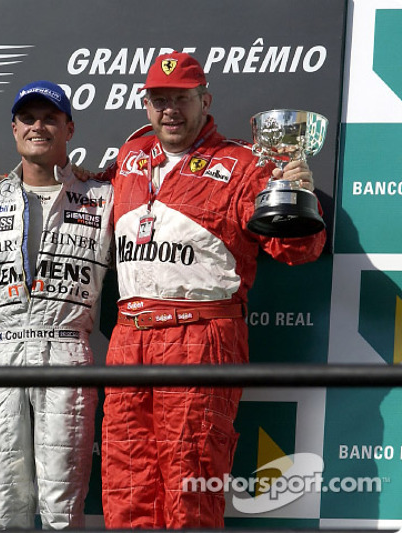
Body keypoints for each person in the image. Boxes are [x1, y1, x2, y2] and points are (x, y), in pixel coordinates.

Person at [96, 51, 326, 528]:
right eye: (159, 100)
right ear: (146, 105)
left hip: (200, 337)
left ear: (205, 99)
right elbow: (83, 190)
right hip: (129, 336)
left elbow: (294, 252)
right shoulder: (131, 156)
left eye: (181, 98)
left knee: (191, 484)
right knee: (127, 485)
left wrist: (300, 198)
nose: (169, 110)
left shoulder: (245, 164)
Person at [0, 81, 114, 529]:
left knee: (62, 508)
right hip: (1, 350)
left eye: (50, 118)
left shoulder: (103, 198)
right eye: (28, 118)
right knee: (5, 509)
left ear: (70, 128)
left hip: (66, 349)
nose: (38, 126)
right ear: (13, 129)